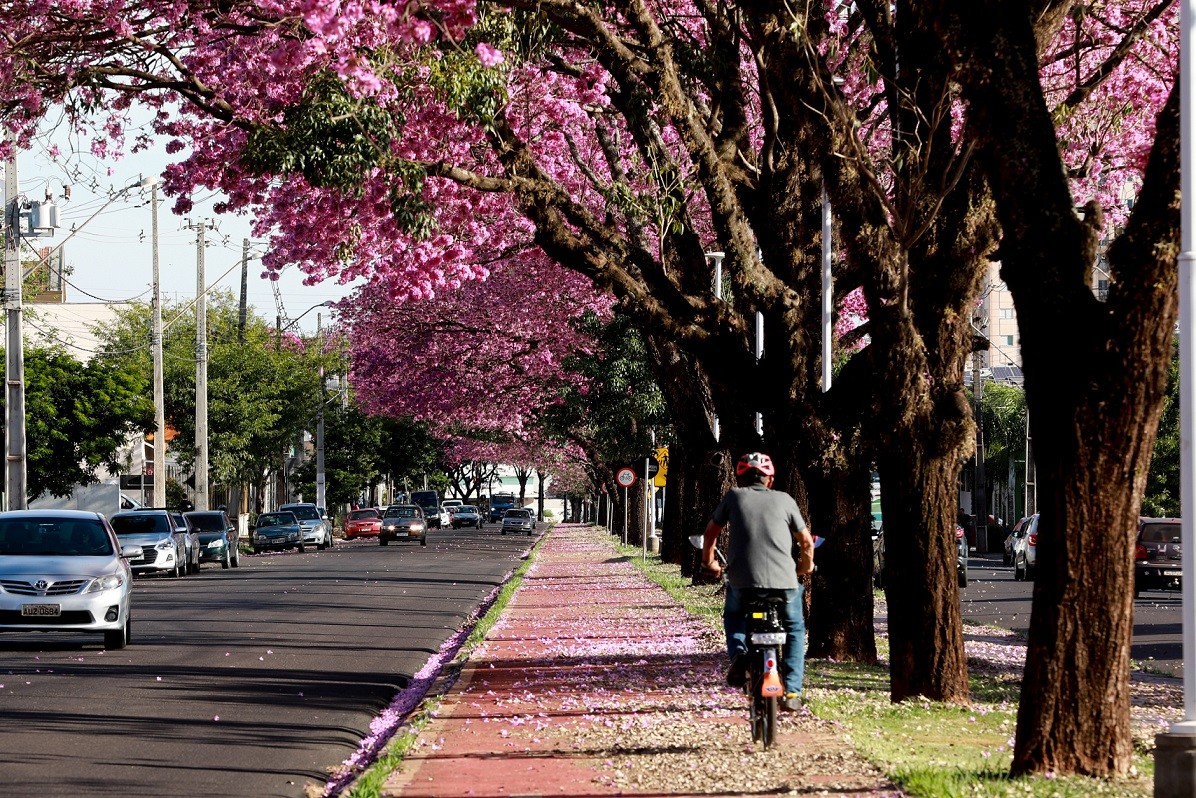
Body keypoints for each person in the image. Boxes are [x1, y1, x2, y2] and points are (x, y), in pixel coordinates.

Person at [700, 452, 815, 712]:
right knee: (795, 628)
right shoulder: (785, 500)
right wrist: (804, 567)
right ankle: (794, 690)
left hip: (743, 581)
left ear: (740, 477)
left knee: (734, 616)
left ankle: (740, 655)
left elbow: (710, 534)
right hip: (784, 582)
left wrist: (710, 563)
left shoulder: (733, 497)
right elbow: (806, 542)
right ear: (770, 479)